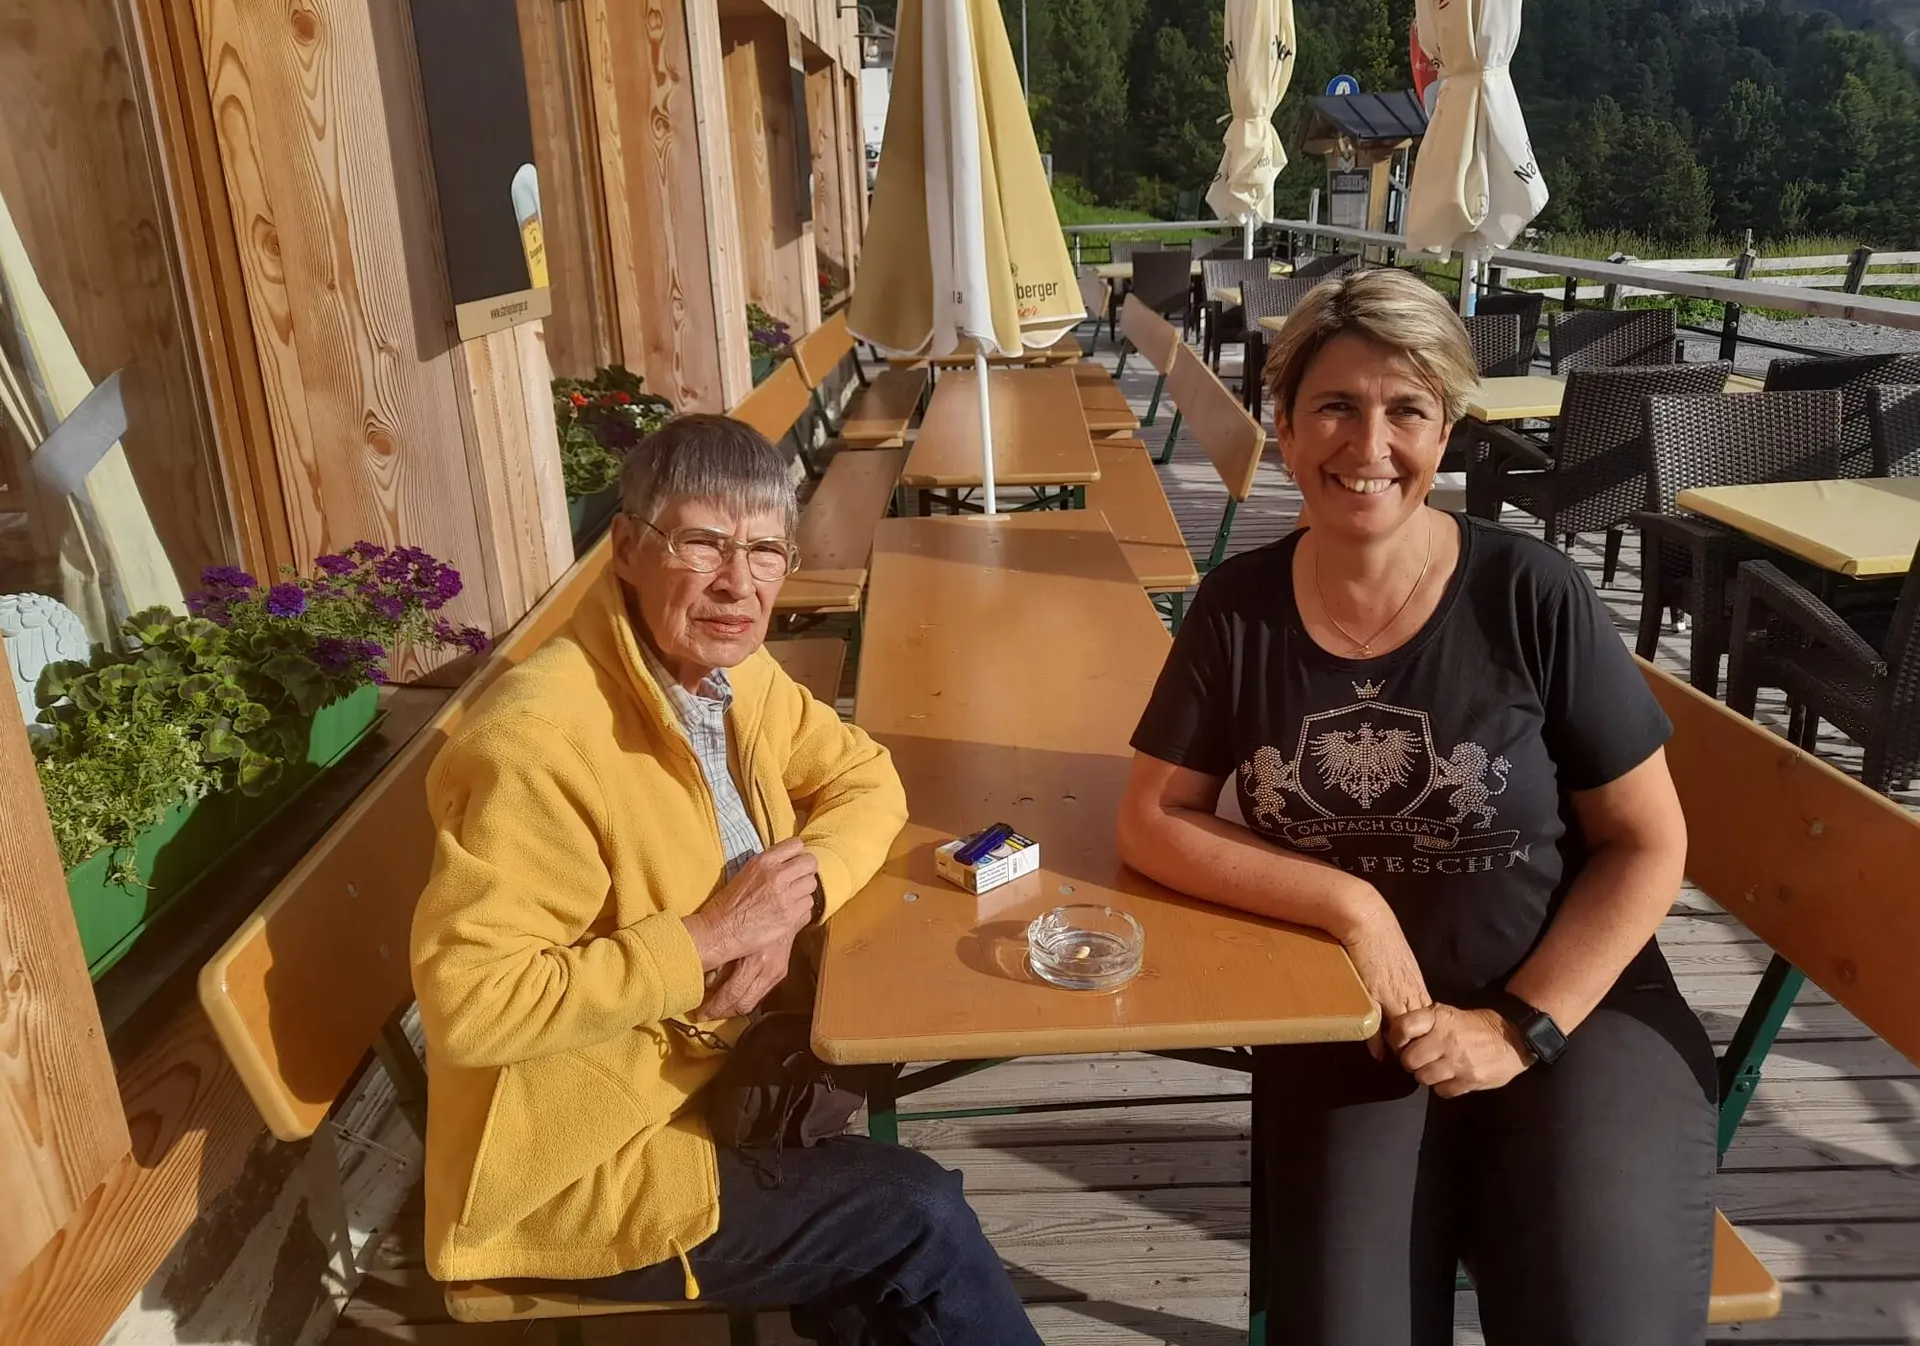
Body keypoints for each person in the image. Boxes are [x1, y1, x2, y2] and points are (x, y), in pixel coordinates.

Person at [1117, 270, 1717, 1345]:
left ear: (1445, 431)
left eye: (1407, 410)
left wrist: (1522, 1028)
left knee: (1599, 1322)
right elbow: (1153, 816)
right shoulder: (1237, 610)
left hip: (1578, 1010)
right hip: (1351, 1017)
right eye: (1337, 406)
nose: (1369, 445)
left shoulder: (1529, 592)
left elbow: (1647, 841)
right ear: (1287, 426)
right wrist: (1352, 908)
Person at [412, 415, 1039, 1344]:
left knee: (874, 1199)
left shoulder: (728, 677)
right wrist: (708, 938)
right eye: (702, 542)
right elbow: (473, 1003)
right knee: (915, 1216)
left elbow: (865, 777)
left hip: (715, 1070)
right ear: (627, 547)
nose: (737, 584)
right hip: (578, 1166)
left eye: (765, 550)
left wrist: (800, 895)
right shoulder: (536, 746)